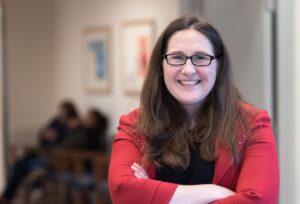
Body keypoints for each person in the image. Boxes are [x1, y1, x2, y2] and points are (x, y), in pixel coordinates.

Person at [108, 15, 279, 204]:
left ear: (219, 64)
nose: (188, 69)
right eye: (177, 57)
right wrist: (213, 192)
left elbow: (259, 200)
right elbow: (122, 190)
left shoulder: (252, 123)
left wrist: (153, 195)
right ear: (161, 65)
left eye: (200, 57)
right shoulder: (134, 125)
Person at [0, 100, 79, 203]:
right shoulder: (56, 121)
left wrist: (56, 137)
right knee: (20, 163)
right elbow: (42, 132)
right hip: (43, 152)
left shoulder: (73, 126)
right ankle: (13, 194)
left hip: (55, 157)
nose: (62, 114)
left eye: (65, 112)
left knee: (28, 166)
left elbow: (66, 144)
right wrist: (46, 135)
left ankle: (11, 195)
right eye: (61, 111)